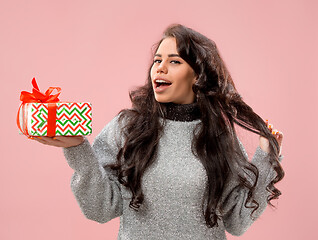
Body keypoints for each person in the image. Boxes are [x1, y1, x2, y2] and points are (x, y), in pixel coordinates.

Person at [34, 24, 284, 239]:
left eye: (174, 61)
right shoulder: (127, 127)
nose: (160, 68)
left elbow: (237, 222)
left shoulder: (219, 137)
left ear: (197, 74)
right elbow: (99, 208)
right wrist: (77, 149)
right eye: (157, 60)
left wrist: (265, 159)